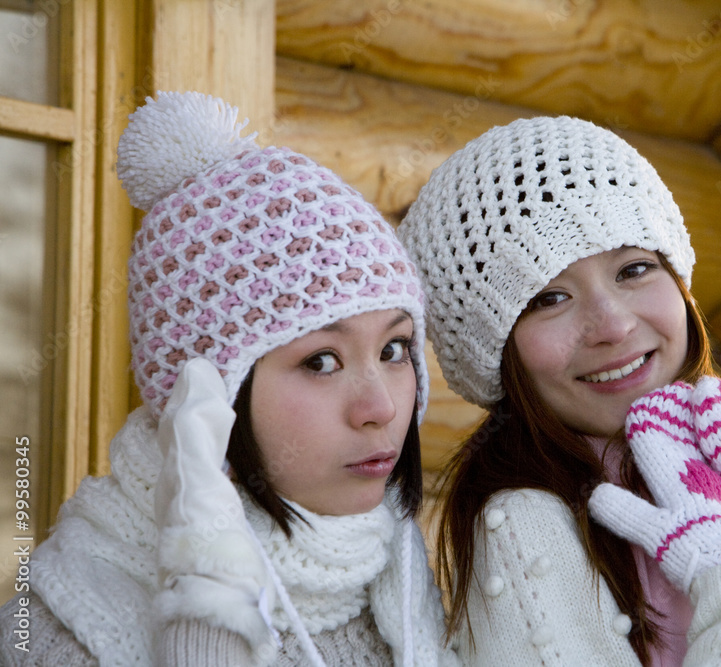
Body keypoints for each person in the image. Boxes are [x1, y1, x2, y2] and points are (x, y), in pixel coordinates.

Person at [397, 115, 721, 666]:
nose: (612, 325)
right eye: (549, 299)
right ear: (496, 353)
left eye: (633, 269)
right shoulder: (523, 528)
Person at [0, 91, 459, 667]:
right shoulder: (59, 634)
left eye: (394, 349)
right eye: (321, 361)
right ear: (206, 395)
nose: (380, 408)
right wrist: (209, 596)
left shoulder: (399, 578)